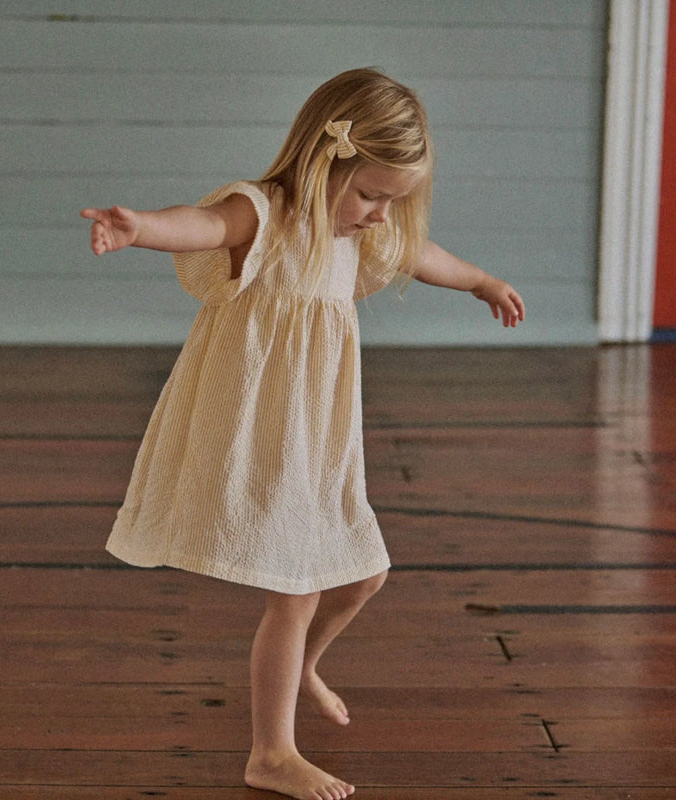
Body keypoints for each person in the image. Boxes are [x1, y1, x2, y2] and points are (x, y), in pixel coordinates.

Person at [81, 68, 525, 800]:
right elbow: (205, 225)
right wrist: (142, 230)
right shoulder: (268, 212)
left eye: (392, 200)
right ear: (326, 160)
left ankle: (303, 667)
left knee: (364, 574)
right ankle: (272, 752)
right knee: (294, 592)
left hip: (318, 441)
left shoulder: (358, 232)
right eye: (371, 194)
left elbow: (423, 254)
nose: (381, 215)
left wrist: (480, 281)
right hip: (261, 433)